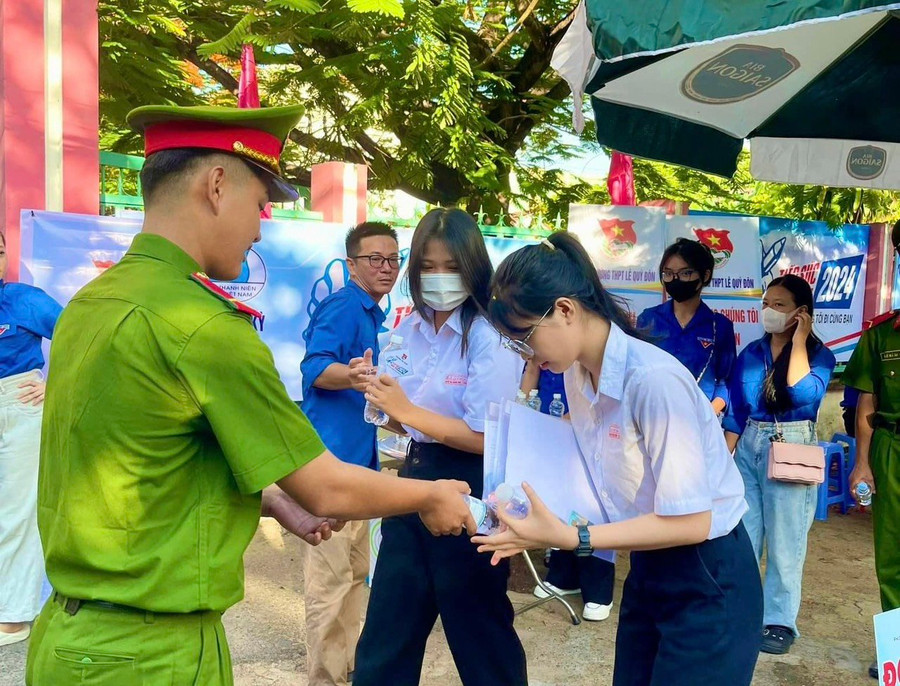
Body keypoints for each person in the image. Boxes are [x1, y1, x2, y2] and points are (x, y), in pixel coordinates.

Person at [25, 104, 475, 686]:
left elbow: (147, 458)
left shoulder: (92, 303)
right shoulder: (205, 326)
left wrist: (269, 501)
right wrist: (430, 495)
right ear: (216, 185)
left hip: (67, 637)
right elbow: (326, 487)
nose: (260, 226)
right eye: (259, 203)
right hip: (151, 655)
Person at [475, 233, 762, 686]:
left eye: (525, 338)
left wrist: (573, 537)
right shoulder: (576, 375)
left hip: (707, 576)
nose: (527, 355)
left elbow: (692, 521)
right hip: (649, 567)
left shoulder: (652, 382)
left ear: (565, 310)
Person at [354, 208, 528, 686]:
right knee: (387, 631)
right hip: (413, 476)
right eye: (427, 267)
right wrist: (376, 395)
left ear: (472, 267)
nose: (438, 278)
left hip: (471, 483)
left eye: (450, 266)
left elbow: (485, 435)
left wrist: (406, 410)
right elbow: (401, 416)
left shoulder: (491, 337)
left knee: (480, 633)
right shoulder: (408, 329)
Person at [299, 221, 402, 686]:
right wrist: (355, 375)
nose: (386, 267)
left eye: (392, 259)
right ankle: (326, 677)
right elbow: (315, 368)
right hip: (332, 468)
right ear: (352, 264)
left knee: (357, 572)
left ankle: (348, 667)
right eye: (374, 259)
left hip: (359, 465)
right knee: (331, 579)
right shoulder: (344, 307)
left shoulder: (374, 313)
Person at [723, 274, 836, 655]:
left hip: (793, 442)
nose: (769, 312)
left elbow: (803, 392)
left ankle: (778, 622)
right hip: (750, 443)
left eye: (780, 305)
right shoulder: (752, 352)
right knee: (745, 535)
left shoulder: (820, 355)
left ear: (801, 313)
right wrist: (725, 454)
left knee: (787, 541)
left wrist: (800, 340)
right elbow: (737, 409)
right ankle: (744, 612)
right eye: (767, 303)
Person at [843, 220, 900, 680]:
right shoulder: (882, 335)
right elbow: (867, 402)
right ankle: (896, 660)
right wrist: (862, 463)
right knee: (892, 558)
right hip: (890, 450)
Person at [0, 232, 63, 648]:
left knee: (17, 511)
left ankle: (12, 615)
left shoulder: (24, 299)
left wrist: (56, 382)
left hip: (18, 406)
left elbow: (81, 334)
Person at [520, 360, 616, 622]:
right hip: (551, 426)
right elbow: (530, 374)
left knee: (591, 507)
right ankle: (564, 575)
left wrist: (566, 420)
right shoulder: (544, 348)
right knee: (558, 502)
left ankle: (597, 587)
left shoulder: (593, 351)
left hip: (589, 433)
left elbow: (600, 400)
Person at [637, 238, 735, 416]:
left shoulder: (720, 326)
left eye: (685, 273)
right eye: (668, 273)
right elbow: (635, 372)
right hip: (652, 416)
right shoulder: (648, 319)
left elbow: (725, 381)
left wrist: (709, 412)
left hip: (700, 419)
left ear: (704, 276)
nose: (675, 280)